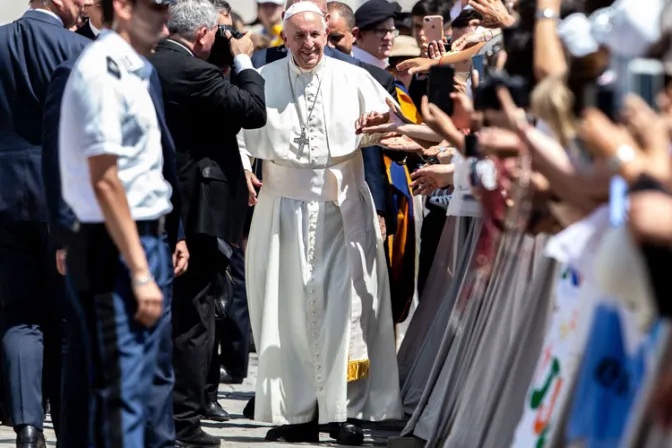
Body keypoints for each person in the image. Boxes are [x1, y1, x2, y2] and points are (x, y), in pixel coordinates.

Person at [239, 2, 402, 445]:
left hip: (341, 210)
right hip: (281, 211)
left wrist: (377, 125)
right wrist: (242, 168)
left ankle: (342, 413)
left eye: (316, 36)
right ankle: (297, 414)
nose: (309, 44)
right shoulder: (262, 79)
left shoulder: (353, 76)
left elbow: (395, 125)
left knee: (342, 312)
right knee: (285, 311)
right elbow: (234, 130)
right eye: (300, 36)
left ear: (327, 36)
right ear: (285, 39)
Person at [148, 0, 266, 446]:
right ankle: (184, 421)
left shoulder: (151, 61)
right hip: (196, 208)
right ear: (201, 34)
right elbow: (253, 109)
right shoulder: (192, 72)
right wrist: (241, 57)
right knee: (195, 316)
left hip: (163, 204)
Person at [58, 0, 175, 445]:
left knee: (137, 390)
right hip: (115, 246)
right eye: (157, 6)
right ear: (123, 7)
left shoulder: (135, 68)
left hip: (145, 240)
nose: (166, 19)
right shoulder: (102, 70)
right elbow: (105, 179)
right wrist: (141, 270)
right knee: (121, 393)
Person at [0, 1, 89, 446]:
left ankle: (27, 426)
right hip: (64, 199)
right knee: (67, 317)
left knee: (18, 315)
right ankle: (67, 423)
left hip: (5, 196)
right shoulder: (77, 47)